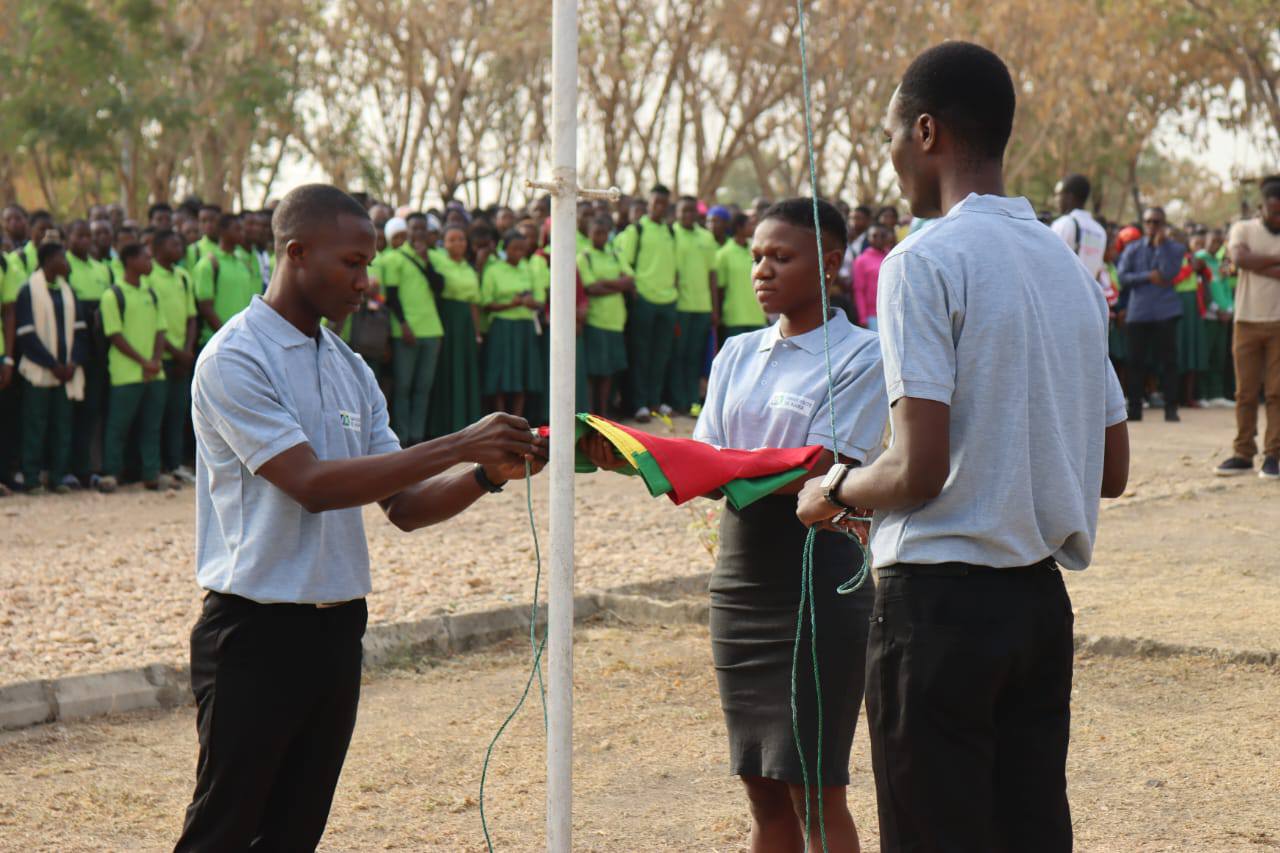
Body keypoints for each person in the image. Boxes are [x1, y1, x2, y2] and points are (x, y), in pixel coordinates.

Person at [797, 42, 1129, 853]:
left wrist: (835, 491)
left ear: (926, 132)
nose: (890, 156)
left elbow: (919, 468)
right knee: (1029, 832)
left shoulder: (923, 260)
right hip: (1038, 605)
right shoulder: (1071, 272)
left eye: (890, 135)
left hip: (938, 612)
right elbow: (1113, 468)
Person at [173, 184, 546, 852]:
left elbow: (404, 505)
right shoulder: (236, 358)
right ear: (296, 253)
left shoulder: (349, 366)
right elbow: (311, 486)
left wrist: (486, 475)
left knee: (294, 832)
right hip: (255, 630)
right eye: (351, 263)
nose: (364, 282)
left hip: (338, 627)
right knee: (223, 831)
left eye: (367, 264)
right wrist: (460, 442)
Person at [585, 198, 887, 853]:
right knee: (760, 787)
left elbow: (822, 469)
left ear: (830, 263)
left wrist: (702, 463)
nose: (761, 270)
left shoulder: (863, 355)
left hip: (816, 577)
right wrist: (632, 456)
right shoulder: (735, 353)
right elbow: (707, 464)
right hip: (740, 579)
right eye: (756, 257)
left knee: (815, 789)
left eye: (781, 256)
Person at [1216, 176, 1280, 479]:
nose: (1278, 218)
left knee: (1277, 392)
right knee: (1245, 392)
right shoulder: (1242, 229)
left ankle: (1274, 454)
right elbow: (1239, 259)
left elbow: (1247, 260)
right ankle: (1243, 453)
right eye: (1274, 212)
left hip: (1278, 323)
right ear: (1261, 208)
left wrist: (1256, 262)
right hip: (1246, 321)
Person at [15, 242, 87, 494]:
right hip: (40, 371)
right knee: (35, 426)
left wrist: (72, 363)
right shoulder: (28, 290)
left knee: (62, 427)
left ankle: (58, 477)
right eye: (62, 258)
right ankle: (32, 478)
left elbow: (80, 331)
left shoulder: (68, 292)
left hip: (67, 372)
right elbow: (26, 334)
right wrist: (52, 364)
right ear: (48, 260)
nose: (66, 263)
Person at [98, 242, 170, 493]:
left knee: (152, 427)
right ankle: (111, 473)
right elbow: (114, 335)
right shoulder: (113, 295)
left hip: (155, 372)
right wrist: (143, 361)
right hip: (126, 374)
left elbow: (161, 329)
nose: (150, 263)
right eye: (145, 258)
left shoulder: (152, 293)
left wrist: (155, 360)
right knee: (118, 426)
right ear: (130, 261)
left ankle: (151, 473)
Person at [614, 184, 678, 422]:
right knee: (641, 354)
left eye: (663, 204)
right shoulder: (636, 230)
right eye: (655, 203)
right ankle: (639, 403)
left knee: (661, 355)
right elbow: (624, 261)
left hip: (668, 300)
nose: (659, 208)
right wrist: (635, 285)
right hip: (644, 299)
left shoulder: (670, 231)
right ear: (649, 204)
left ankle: (655, 401)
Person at [1117, 206, 1185, 421]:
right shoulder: (1132, 249)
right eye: (1148, 221)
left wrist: (1161, 246)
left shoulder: (1175, 248)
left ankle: (1171, 409)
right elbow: (1122, 277)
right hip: (1138, 312)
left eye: (1157, 222)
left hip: (1166, 311)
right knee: (1135, 362)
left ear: (1164, 224)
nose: (1152, 226)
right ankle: (1135, 409)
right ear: (1144, 224)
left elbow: (1168, 272)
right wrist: (1148, 276)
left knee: (1169, 362)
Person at [382, 214, 445, 445]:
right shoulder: (393, 258)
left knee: (423, 387)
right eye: (414, 228)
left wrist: (425, 260)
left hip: (432, 329)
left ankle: (418, 437)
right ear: (406, 230)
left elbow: (439, 287)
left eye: (422, 228)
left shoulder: (433, 257)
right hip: (406, 331)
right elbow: (391, 296)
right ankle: (403, 437)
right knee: (403, 387)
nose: (418, 232)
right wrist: (403, 324)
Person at [145, 229, 198, 483]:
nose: (179, 248)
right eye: (173, 244)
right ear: (157, 249)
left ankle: (175, 464)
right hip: (160, 355)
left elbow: (191, 317)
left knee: (178, 412)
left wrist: (186, 351)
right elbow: (152, 321)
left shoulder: (183, 276)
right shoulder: (149, 277)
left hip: (182, 356)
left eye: (180, 244)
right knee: (155, 415)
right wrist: (174, 352)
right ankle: (154, 467)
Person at [425, 224, 483, 438]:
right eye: (452, 239)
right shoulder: (437, 260)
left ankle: (466, 424)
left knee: (464, 371)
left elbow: (474, 303)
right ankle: (444, 425)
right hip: (446, 319)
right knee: (447, 370)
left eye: (461, 239)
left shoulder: (469, 268)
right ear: (444, 243)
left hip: (465, 324)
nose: (458, 243)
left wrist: (477, 333)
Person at [66, 219, 112, 488]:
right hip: (72, 349)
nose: (85, 241)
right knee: (70, 411)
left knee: (92, 410)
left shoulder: (102, 269)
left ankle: (88, 467)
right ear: (68, 237)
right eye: (79, 235)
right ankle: (66, 468)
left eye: (87, 236)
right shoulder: (64, 266)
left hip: (98, 348)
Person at [480, 229, 544, 417]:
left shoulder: (528, 268)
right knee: (501, 374)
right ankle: (500, 417)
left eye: (522, 249)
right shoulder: (493, 270)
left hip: (525, 326)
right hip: (502, 327)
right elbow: (486, 303)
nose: (519, 253)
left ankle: (517, 417)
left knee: (522, 374)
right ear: (505, 249)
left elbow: (540, 300)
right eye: (514, 249)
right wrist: (511, 304)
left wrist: (531, 302)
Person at [578, 215, 634, 415]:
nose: (601, 237)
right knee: (594, 372)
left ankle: (603, 413)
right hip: (596, 320)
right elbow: (591, 288)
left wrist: (605, 282)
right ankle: (591, 414)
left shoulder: (615, 254)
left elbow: (630, 280)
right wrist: (618, 285)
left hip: (616, 321)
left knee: (609, 371)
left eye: (604, 233)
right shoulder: (584, 257)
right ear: (589, 234)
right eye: (596, 233)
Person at [670, 195, 719, 416]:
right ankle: (677, 401)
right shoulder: (671, 234)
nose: (688, 215)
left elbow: (712, 275)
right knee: (678, 356)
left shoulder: (706, 237)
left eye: (692, 211)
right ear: (677, 213)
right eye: (684, 210)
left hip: (702, 308)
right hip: (679, 307)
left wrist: (714, 308)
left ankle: (693, 403)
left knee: (695, 357)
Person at [193, 213, 257, 346]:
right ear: (222, 231)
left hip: (243, 339)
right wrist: (228, 335)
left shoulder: (243, 263)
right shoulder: (208, 264)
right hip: (216, 341)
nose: (242, 233)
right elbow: (205, 307)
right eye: (237, 229)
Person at [1199, 228, 1234, 407]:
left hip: (1224, 315)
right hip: (1209, 315)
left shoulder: (1222, 262)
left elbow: (1227, 285)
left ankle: (1216, 393)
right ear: (1206, 240)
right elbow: (1203, 288)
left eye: (1220, 242)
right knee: (1205, 354)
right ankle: (1202, 394)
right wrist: (1215, 308)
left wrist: (1230, 308)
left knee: (1219, 355)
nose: (1216, 245)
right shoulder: (1200, 259)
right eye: (1213, 241)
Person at [716, 212, 765, 340]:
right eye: (749, 225)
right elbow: (720, 289)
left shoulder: (756, 251)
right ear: (739, 228)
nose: (753, 228)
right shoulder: (723, 254)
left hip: (757, 317)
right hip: (734, 318)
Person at [1050, 173, 1107, 281]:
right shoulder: (1100, 231)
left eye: (1058, 194)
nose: (1056, 199)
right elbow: (1098, 272)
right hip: (1088, 291)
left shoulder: (1064, 224)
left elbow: (1049, 262)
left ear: (1069, 197)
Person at [852, 224, 891, 330]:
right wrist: (863, 318)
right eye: (874, 236)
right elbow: (859, 291)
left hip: (891, 313)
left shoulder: (892, 256)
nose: (879, 239)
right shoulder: (861, 260)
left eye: (883, 235)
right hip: (872, 316)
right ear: (868, 238)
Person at [185, 204, 221, 269]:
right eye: (203, 221)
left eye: (212, 220)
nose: (208, 224)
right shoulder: (193, 250)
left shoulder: (234, 249)